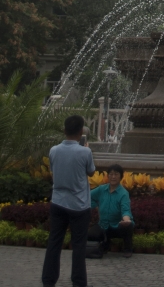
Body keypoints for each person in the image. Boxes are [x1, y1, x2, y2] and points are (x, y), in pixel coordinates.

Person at [42, 114, 95, 287]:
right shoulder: (85, 152)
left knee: (54, 242)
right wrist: (85, 149)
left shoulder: (54, 150)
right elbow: (91, 172)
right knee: (79, 245)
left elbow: (53, 169)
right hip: (79, 204)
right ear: (81, 132)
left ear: (64, 130)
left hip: (58, 202)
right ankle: (78, 282)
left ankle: (48, 280)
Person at [89, 164, 134, 256]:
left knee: (128, 226)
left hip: (116, 226)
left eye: (116, 174)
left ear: (121, 177)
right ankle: (105, 245)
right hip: (103, 224)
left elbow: (125, 209)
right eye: (111, 174)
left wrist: (126, 220)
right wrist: (96, 206)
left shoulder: (123, 193)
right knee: (89, 235)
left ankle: (127, 249)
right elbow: (88, 196)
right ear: (108, 176)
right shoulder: (101, 189)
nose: (113, 177)